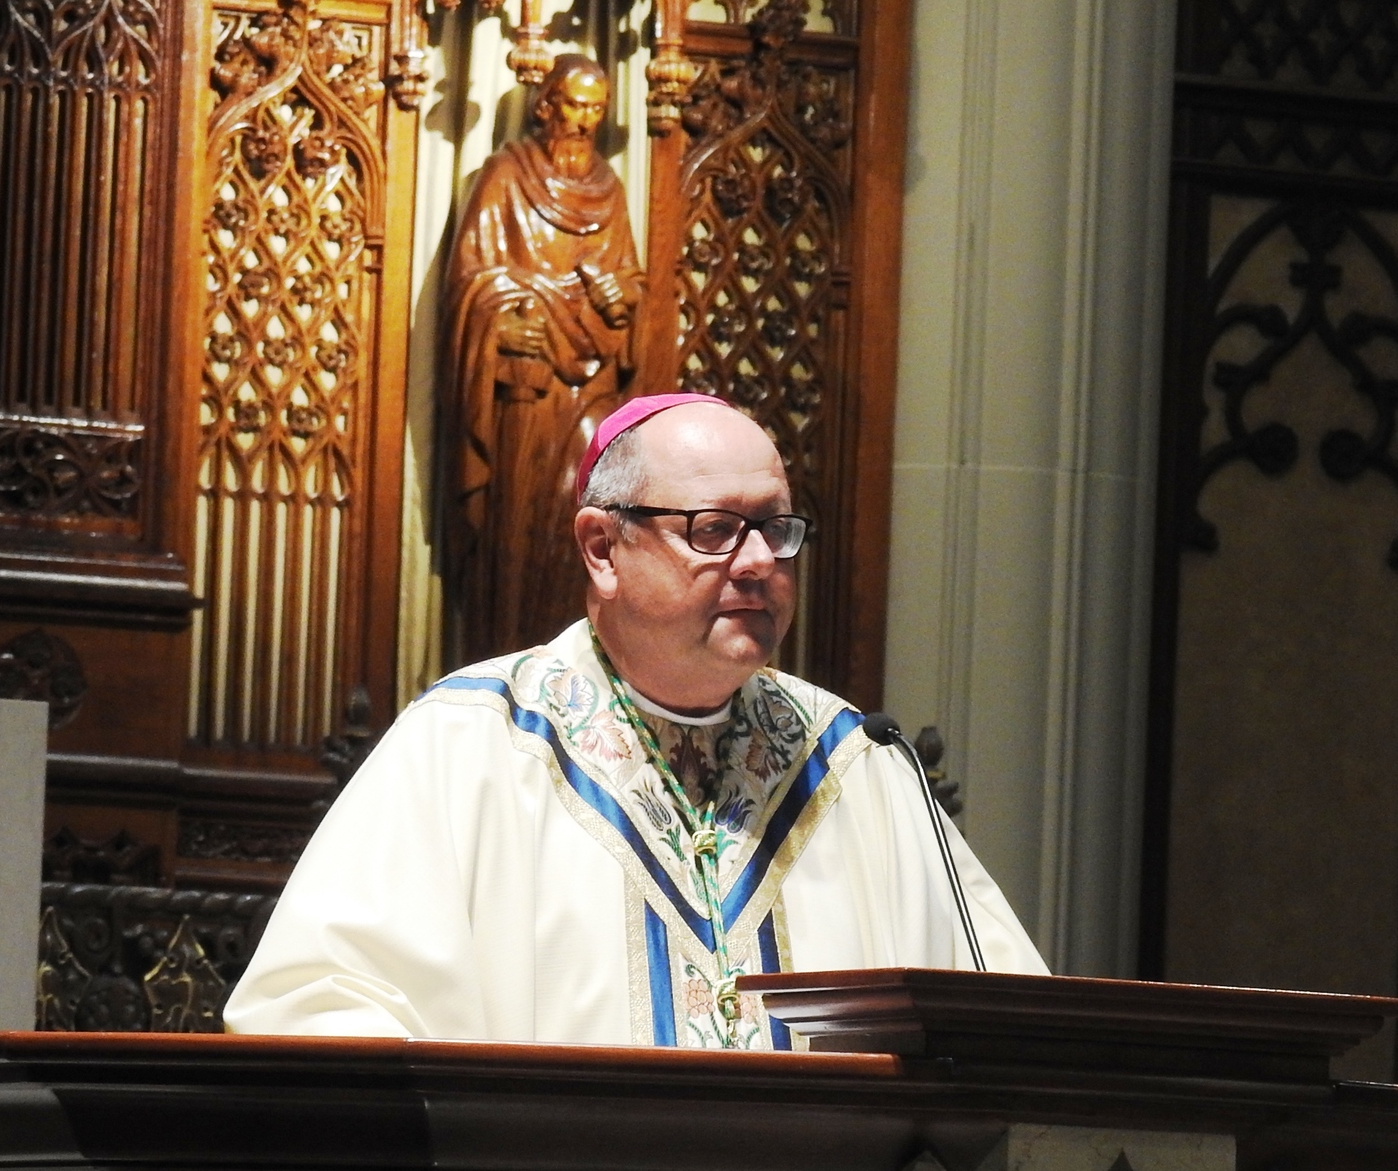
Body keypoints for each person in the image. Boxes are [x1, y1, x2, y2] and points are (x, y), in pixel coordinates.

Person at [226, 393, 1044, 1045]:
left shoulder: (855, 762)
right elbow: (317, 1003)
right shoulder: (473, 743)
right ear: (601, 549)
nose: (759, 561)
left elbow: (1006, 1027)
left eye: (776, 529)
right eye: (715, 530)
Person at [443, 54, 645, 662]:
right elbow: (470, 281)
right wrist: (500, 319)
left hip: (592, 387)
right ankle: (510, 659)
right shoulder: (506, 177)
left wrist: (620, 299)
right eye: (574, 105)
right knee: (516, 529)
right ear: (546, 106)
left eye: (595, 109)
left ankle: (580, 662)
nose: (583, 121)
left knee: (585, 512)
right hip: (524, 390)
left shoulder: (609, 191)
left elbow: (632, 287)